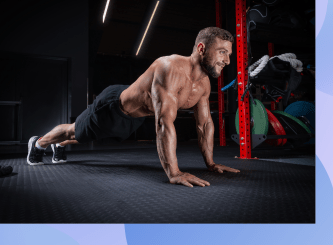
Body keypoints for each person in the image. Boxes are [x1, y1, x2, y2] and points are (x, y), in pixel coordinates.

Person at [28, 27, 240, 187]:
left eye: (229, 54)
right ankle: (38, 144)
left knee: (88, 136)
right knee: (75, 129)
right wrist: (174, 172)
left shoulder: (203, 84)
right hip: (112, 107)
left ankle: (60, 145)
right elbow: (163, 123)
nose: (227, 61)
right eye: (222, 52)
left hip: (135, 116)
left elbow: (204, 124)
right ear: (201, 48)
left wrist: (211, 164)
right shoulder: (170, 68)